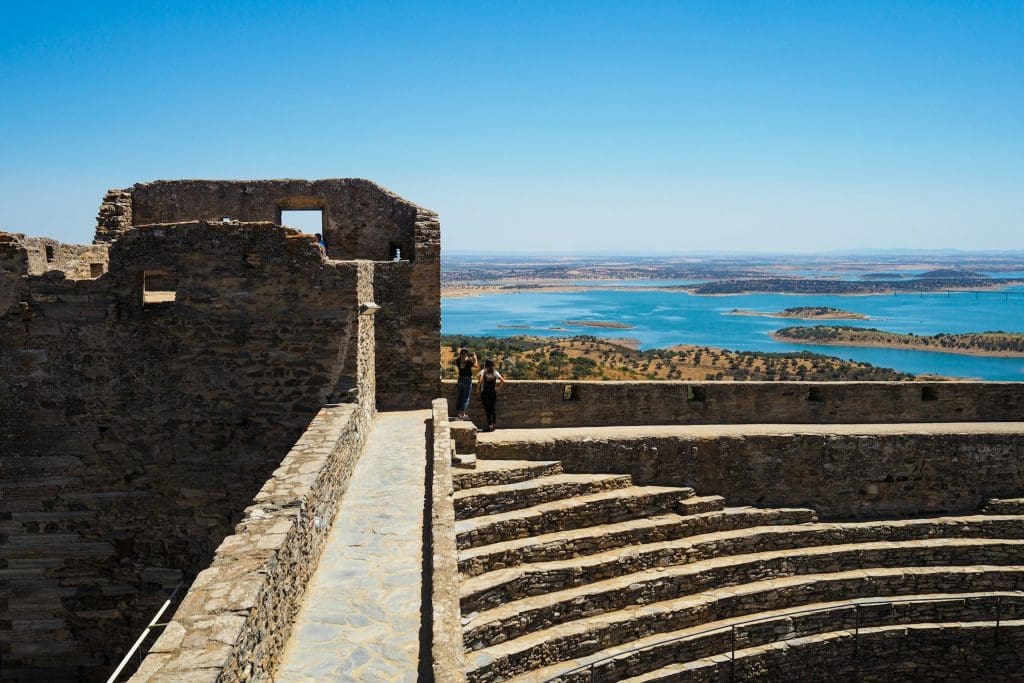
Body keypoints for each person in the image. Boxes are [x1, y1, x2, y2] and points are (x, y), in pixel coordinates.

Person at [476, 359, 505, 432]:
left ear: (486, 365)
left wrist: (477, 389)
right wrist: (497, 388)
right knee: (492, 409)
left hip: (485, 393)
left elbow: (480, 380)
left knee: (487, 410)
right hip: (493, 393)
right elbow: (502, 381)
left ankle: (489, 426)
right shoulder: (495, 372)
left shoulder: (483, 371)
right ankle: (494, 425)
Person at [454, 348, 477, 420]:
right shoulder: (468, 361)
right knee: (466, 397)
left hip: (460, 379)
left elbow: (462, 361)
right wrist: (475, 358)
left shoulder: (457, 360)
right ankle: (462, 414)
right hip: (467, 380)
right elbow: (476, 366)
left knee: (460, 396)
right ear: (467, 354)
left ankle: (459, 413)